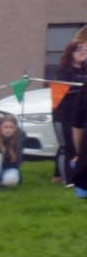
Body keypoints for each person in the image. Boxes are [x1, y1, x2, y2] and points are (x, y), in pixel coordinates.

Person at [53, 39, 87, 184]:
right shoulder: (63, 70)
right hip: (63, 114)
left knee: (77, 147)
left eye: (85, 50)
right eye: (79, 50)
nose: (83, 52)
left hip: (79, 114)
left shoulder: (85, 69)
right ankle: (67, 180)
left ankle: (70, 175)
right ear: (71, 53)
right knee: (66, 147)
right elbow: (69, 85)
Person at [0, 114, 24, 189]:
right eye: (5, 127)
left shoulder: (19, 139)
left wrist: (8, 151)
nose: (8, 130)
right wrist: (1, 150)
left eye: (11, 127)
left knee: (11, 180)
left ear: (15, 129)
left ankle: (0, 183)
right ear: (0, 128)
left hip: (9, 168)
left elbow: (18, 161)